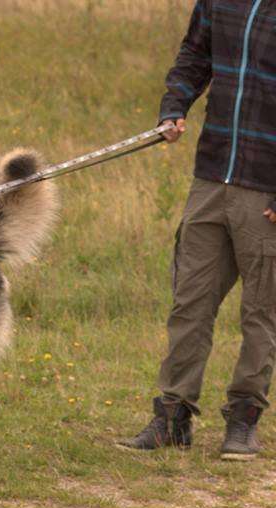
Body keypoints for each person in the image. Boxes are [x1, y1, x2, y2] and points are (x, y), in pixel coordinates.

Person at [118, 0, 276, 460]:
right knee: (190, 301)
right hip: (211, 179)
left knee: (260, 313)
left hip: (266, 191)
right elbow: (195, 55)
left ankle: (244, 419)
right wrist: (174, 106)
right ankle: (172, 416)